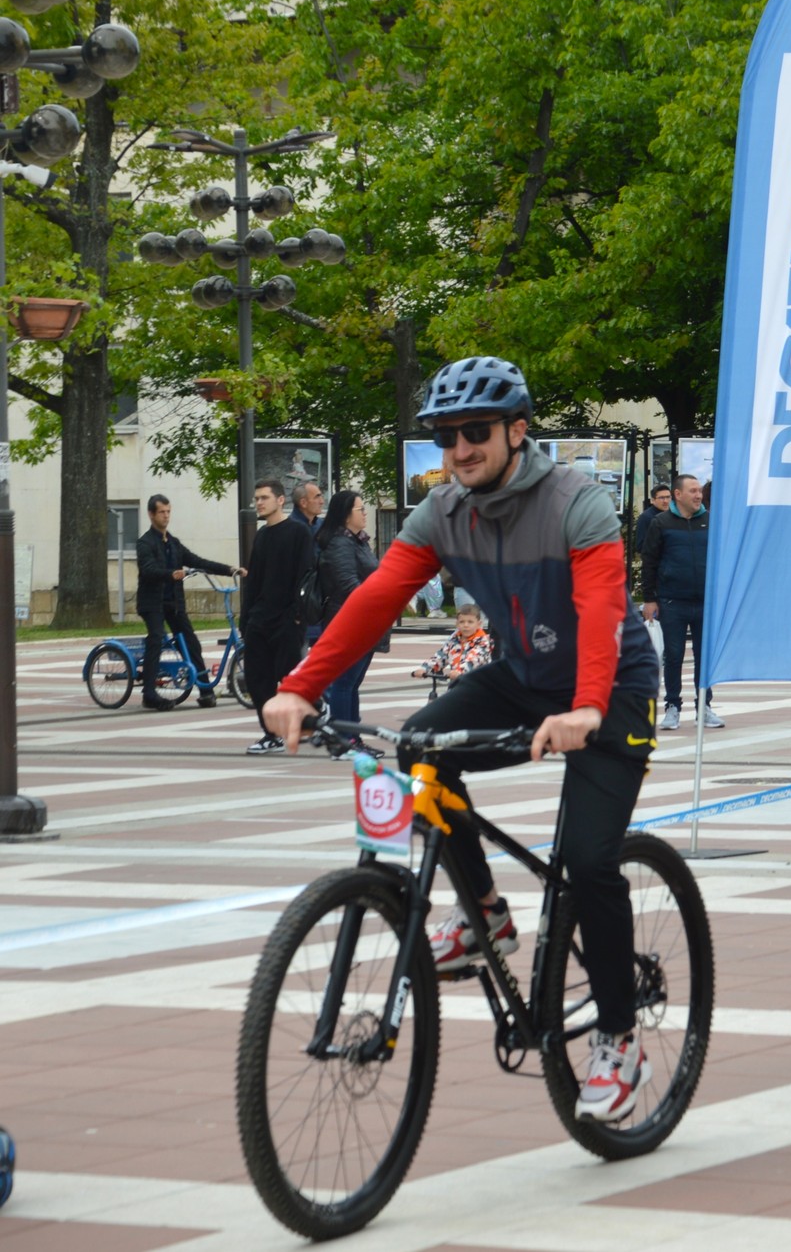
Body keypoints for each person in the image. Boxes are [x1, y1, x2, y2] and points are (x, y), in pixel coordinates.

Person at [264, 354, 662, 1125]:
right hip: (526, 676)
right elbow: (376, 599)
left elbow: (605, 611)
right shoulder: (443, 511)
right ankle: (486, 912)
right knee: (418, 746)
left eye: (475, 432)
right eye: (447, 437)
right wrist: (300, 685)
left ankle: (618, 1034)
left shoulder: (578, 503)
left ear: (518, 431)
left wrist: (584, 709)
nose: (459, 450)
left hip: (610, 688)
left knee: (587, 861)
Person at [133, 495, 242, 710]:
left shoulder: (173, 544)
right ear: (151, 514)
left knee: (191, 642)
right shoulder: (145, 543)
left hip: (173, 603)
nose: (166, 516)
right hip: (152, 603)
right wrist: (170, 574)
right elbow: (147, 570)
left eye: (168, 512)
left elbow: (199, 562)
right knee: (156, 637)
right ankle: (149, 694)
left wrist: (230, 570)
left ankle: (206, 691)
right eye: (162, 512)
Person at [639, 474, 719, 729]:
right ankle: (672, 706)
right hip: (672, 601)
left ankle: (704, 706)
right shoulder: (661, 523)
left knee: (704, 655)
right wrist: (649, 599)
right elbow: (649, 562)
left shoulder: (711, 521)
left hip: (706, 601)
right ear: (678, 494)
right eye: (693, 491)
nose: (698, 495)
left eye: (699, 491)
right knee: (673, 656)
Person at [242, 477, 315, 754]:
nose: (259, 503)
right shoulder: (261, 536)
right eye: (257, 498)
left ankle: (317, 711)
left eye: (264, 498)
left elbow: (305, 576)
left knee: (289, 677)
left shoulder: (298, 533)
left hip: (287, 620)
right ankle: (271, 735)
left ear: (280, 500)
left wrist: (297, 616)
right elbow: (254, 581)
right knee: (256, 679)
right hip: (259, 620)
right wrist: (246, 619)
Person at [313, 490, 381, 757]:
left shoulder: (358, 541)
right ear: (345, 515)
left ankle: (352, 739)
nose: (365, 514)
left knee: (351, 684)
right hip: (349, 621)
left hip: (364, 620)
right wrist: (379, 599)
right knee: (344, 683)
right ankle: (343, 742)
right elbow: (348, 585)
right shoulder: (340, 544)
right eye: (360, 510)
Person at [412, 603, 495, 683]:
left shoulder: (483, 642)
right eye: (462, 622)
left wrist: (459, 671)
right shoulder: (453, 641)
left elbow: (474, 659)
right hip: (457, 683)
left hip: (478, 685)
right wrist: (424, 668)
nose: (466, 625)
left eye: (470, 622)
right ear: (457, 624)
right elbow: (440, 657)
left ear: (479, 624)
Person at [633, 483, 671, 562]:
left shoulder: (673, 515)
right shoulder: (646, 517)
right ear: (653, 500)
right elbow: (640, 546)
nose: (666, 501)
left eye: (668, 497)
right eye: (661, 498)